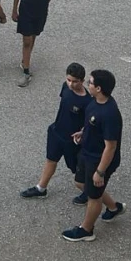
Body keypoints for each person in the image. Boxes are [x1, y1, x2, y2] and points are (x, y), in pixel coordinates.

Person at [62, 69, 125, 241]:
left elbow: (111, 147)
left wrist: (100, 171)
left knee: (93, 196)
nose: (87, 84)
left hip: (99, 161)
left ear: (98, 88)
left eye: (89, 82)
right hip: (87, 153)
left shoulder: (110, 114)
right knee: (80, 183)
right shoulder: (94, 102)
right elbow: (91, 123)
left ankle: (86, 230)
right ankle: (114, 208)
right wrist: (83, 132)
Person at [20, 63, 91, 201]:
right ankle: (41, 188)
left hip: (71, 140)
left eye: (75, 81)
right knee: (51, 160)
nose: (71, 84)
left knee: (77, 169)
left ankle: (90, 193)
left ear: (82, 81)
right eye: (69, 80)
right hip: (56, 132)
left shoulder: (87, 101)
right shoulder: (65, 87)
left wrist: (81, 135)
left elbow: (88, 124)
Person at [11, 0, 59, 87]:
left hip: (40, 14)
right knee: (26, 40)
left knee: (33, 36)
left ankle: (25, 60)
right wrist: (14, 10)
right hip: (26, 12)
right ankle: (26, 71)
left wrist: (46, 1)